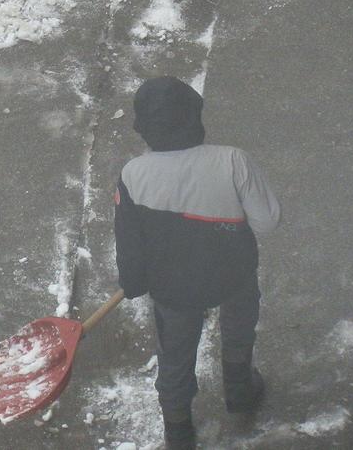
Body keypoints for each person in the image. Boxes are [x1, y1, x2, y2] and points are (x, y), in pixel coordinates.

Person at [113, 76, 281, 450]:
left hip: (173, 287)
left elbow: (129, 241)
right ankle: (239, 390)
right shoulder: (232, 160)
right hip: (232, 274)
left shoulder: (133, 175)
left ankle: (177, 428)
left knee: (174, 354)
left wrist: (134, 280)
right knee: (238, 329)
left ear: (143, 128)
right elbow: (267, 222)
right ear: (195, 116)